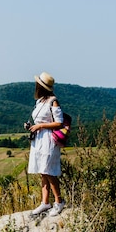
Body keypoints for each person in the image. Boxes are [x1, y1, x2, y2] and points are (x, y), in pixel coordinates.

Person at [25, 71, 66, 216]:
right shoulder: (40, 101)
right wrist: (32, 126)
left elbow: (59, 122)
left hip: (49, 139)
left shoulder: (53, 101)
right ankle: (45, 202)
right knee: (43, 171)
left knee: (49, 171)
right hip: (39, 139)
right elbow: (40, 121)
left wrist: (40, 126)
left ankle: (59, 201)